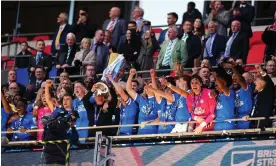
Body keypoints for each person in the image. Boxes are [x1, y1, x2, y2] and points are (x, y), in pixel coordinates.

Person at [126, 69, 159, 134]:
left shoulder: (158, 101)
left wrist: (152, 77)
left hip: (153, 134)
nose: (148, 88)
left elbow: (160, 118)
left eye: (151, 86)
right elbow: (129, 89)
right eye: (147, 86)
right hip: (141, 134)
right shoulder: (141, 99)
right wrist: (131, 75)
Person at [223, 62, 253, 129]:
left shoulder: (245, 89)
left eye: (236, 79)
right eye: (233, 79)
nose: (235, 81)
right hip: (232, 120)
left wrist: (232, 67)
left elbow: (240, 79)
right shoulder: (230, 90)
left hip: (244, 119)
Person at [251, 65, 275, 130]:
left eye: (256, 80)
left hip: (264, 122)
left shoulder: (267, 91)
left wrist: (261, 71)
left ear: (263, 82)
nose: (254, 82)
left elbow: (269, 82)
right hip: (255, 122)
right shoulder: (256, 94)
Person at [212, 66, 235, 130]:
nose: (217, 84)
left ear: (225, 83)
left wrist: (216, 77)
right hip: (217, 124)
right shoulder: (218, 95)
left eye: (219, 83)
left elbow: (222, 87)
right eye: (216, 85)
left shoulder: (229, 92)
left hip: (227, 124)